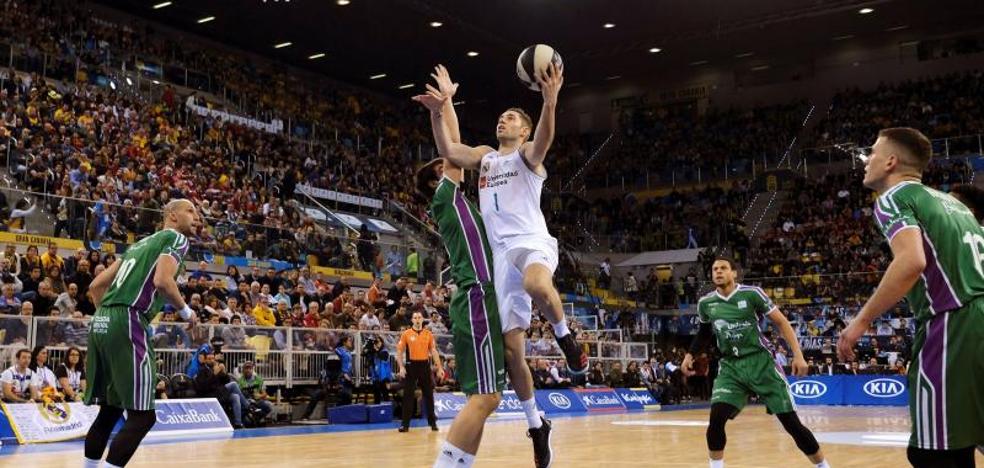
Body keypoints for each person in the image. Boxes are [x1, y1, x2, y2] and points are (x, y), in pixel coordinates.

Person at [416, 63, 585, 468]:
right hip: (497, 260)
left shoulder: (527, 157)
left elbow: (544, 139)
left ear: (522, 131)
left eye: (511, 117)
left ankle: (567, 339)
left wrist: (549, 101)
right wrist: (442, 110)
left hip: (530, 243)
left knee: (538, 285)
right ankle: (536, 424)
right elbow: (451, 150)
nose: (502, 119)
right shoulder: (486, 159)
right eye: (501, 116)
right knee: (513, 352)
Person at [837, 128, 984, 468]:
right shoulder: (952, 203)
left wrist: (861, 321)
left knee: (933, 451)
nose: (866, 160)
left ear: (891, 161)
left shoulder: (894, 197)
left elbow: (912, 260)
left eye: (872, 152)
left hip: (952, 326)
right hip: (976, 318)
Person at [82, 199, 199, 468]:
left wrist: (109, 318)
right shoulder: (176, 238)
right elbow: (162, 281)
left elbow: (96, 285)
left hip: (102, 319)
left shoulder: (137, 245)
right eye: (190, 211)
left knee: (110, 410)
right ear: (171, 215)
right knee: (143, 416)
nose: (196, 217)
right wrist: (186, 312)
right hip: (129, 318)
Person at [683, 257, 829, 468]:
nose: (718, 272)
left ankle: (823, 465)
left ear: (734, 273)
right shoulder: (706, 303)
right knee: (716, 420)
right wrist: (690, 355)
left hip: (761, 362)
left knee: (791, 425)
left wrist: (798, 354)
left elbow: (781, 322)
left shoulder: (752, 294)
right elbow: (704, 333)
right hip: (731, 367)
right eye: (715, 269)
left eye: (723, 268)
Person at [396, 311, 443, 433]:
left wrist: (439, 368)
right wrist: (401, 367)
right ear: (412, 320)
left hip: (424, 365)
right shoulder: (406, 334)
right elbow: (400, 351)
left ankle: (433, 423)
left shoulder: (428, 334)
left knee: (429, 395)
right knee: (408, 395)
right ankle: (404, 425)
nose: (417, 319)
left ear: (422, 320)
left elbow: (433, 351)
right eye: (415, 317)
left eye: (419, 317)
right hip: (411, 366)